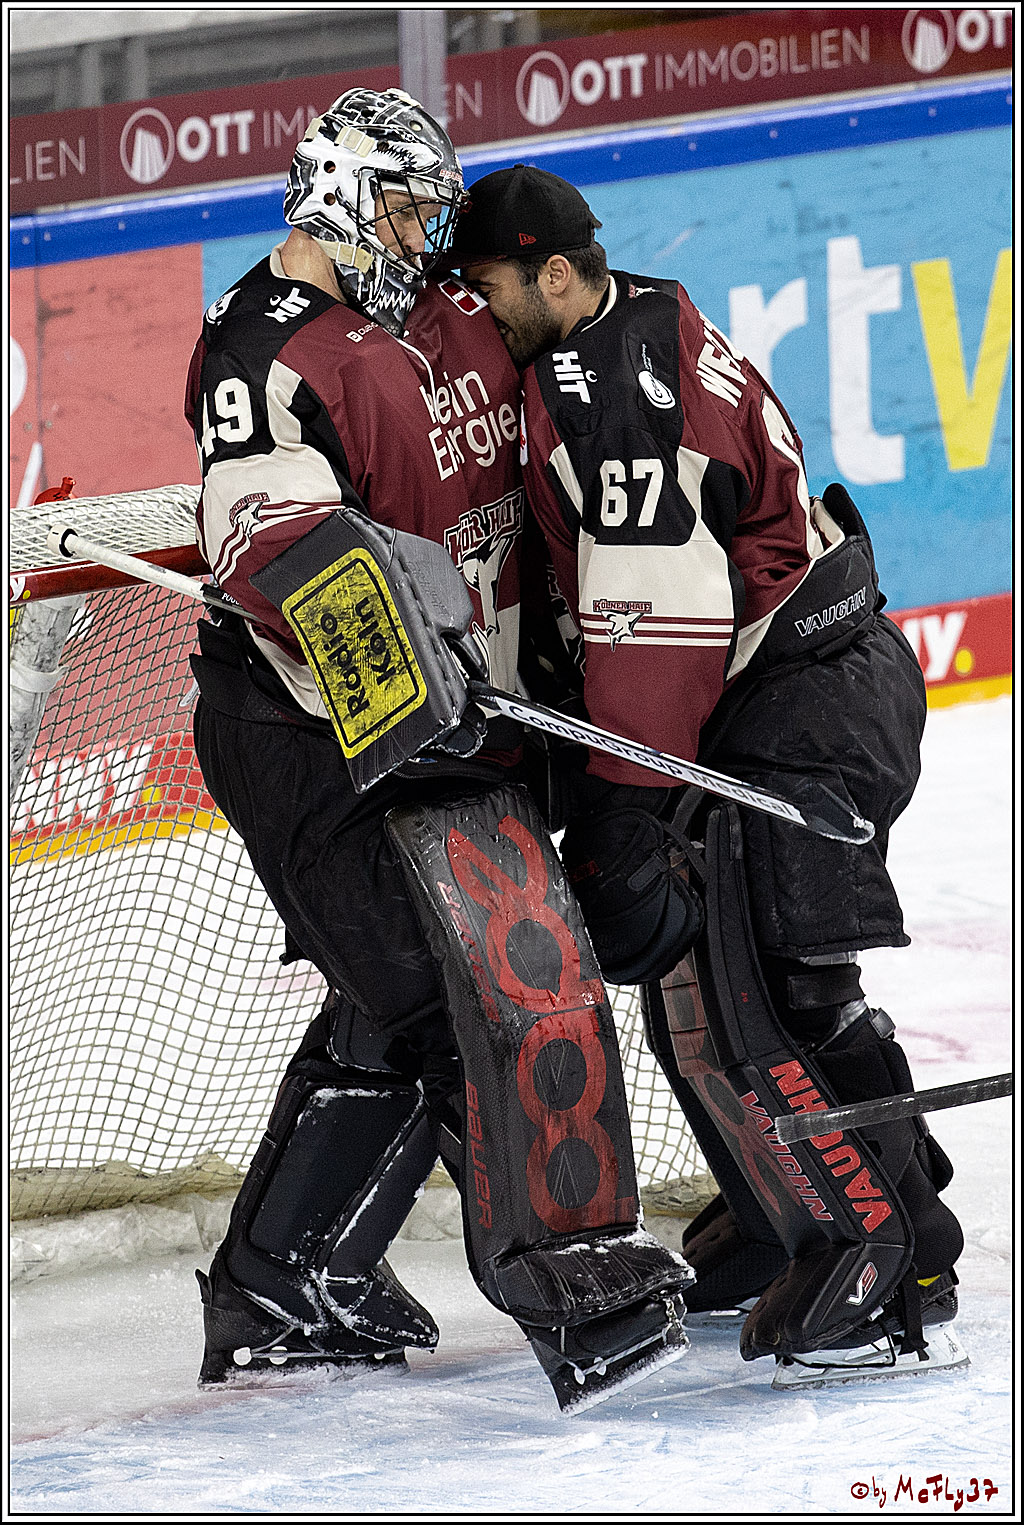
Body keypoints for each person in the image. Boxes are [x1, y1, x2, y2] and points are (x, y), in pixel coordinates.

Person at [185, 92, 690, 1410]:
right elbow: (269, 547)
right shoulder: (263, 351)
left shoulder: (454, 309)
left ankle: (290, 1274)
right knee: (454, 995)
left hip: (474, 711)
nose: (430, 234)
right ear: (339, 196)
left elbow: (586, 334)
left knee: (399, 994)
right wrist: (408, 636)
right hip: (312, 730)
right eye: (406, 209)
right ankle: (580, 1291)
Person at [448, 164, 965, 1384]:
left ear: (555, 275)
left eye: (490, 286)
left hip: (801, 705)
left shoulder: (605, 394)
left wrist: (627, 813)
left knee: (763, 997)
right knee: (706, 992)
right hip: (793, 690)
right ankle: (789, 1197)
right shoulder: (634, 318)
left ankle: (880, 1247)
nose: (479, 308)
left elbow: (658, 630)